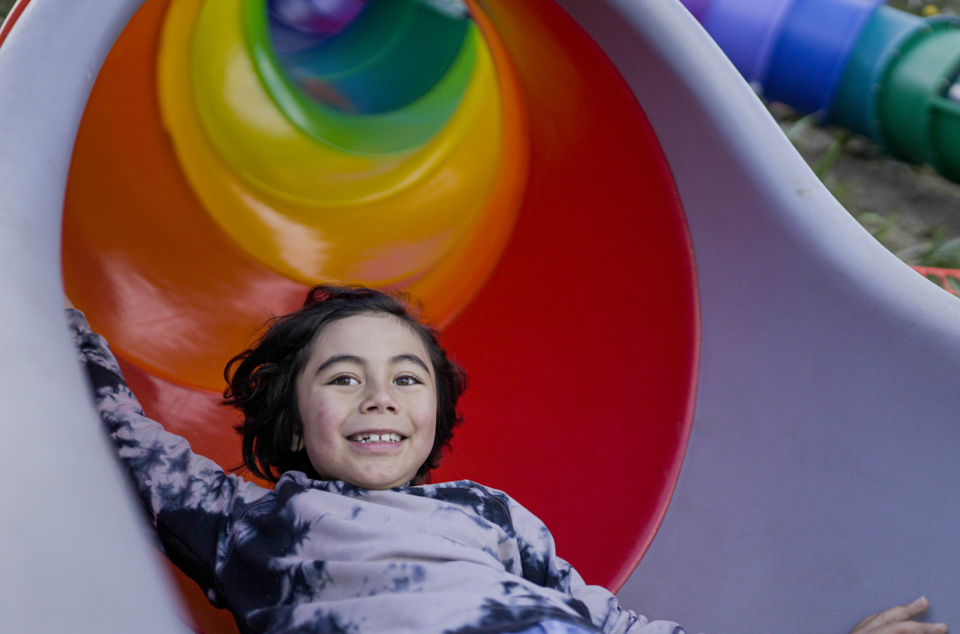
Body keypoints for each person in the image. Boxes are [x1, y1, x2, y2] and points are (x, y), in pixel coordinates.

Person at [66, 285, 948, 634]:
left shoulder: (487, 511)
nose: (380, 396)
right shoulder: (254, 524)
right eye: (343, 378)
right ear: (292, 425)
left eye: (406, 378)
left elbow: (614, 625)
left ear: (434, 414)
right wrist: (47, 305)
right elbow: (129, 445)